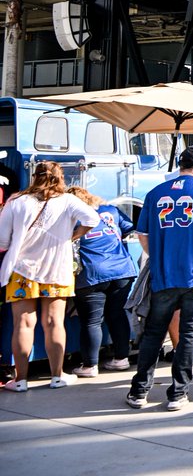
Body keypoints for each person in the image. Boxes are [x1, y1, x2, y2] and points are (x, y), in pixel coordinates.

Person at [126, 146, 193, 410]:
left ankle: (139, 391)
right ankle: (178, 393)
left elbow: (143, 234)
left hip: (164, 273)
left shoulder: (155, 193)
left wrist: (158, 257)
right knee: (189, 333)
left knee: (153, 333)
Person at [0, 162, 99, 391]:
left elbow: (3, 241)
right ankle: (57, 376)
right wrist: (72, 236)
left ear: (34, 176)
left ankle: (21, 380)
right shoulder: (68, 200)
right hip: (56, 269)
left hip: (21, 270)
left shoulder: (16, 201)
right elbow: (92, 219)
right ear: (60, 177)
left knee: (23, 323)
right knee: (55, 322)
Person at [68, 187, 137, 377]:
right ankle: (121, 359)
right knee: (118, 314)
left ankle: (90, 366)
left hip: (91, 273)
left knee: (91, 321)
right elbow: (129, 228)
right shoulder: (111, 211)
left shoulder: (71, 216)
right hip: (121, 270)